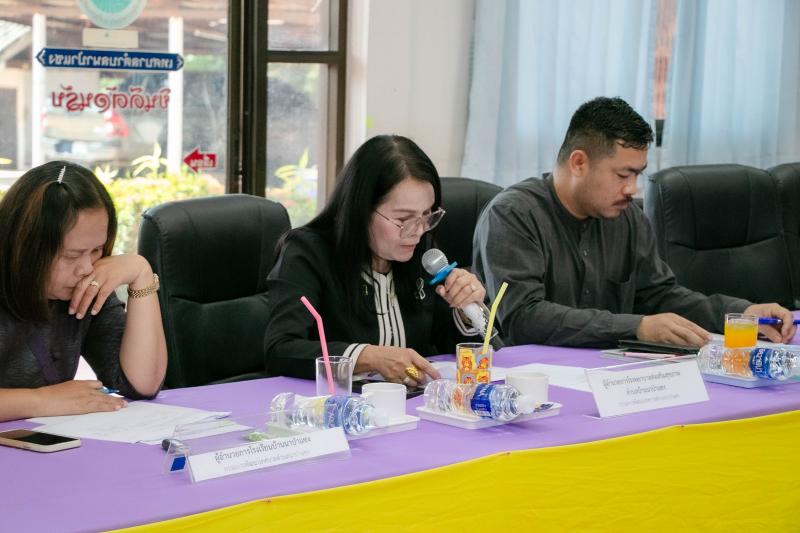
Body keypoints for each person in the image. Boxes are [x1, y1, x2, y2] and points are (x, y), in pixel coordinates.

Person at [473, 97, 796, 348]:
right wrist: (636, 327)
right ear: (579, 163)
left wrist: (739, 315)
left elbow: (661, 296)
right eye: (623, 175)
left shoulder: (627, 218)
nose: (632, 189)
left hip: (615, 375)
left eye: (638, 175)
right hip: (529, 382)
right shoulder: (513, 215)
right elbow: (523, 318)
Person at [265, 135, 497, 386]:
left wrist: (466, 311)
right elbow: (281, 349)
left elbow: (446, 346)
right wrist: (369, 357)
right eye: (403, 219)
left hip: (414, 402)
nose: (418, 231)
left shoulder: (422, 250)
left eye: (427, 215)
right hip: (337, 403)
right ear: (361, 210)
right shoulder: (308, 252)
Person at [0, 161, 167, 422]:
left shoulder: (87, 285)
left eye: (97, 250)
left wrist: (141, 274)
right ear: (26, 246)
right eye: (71, 255)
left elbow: (142, 383)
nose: (86, 268)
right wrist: (41, 401)